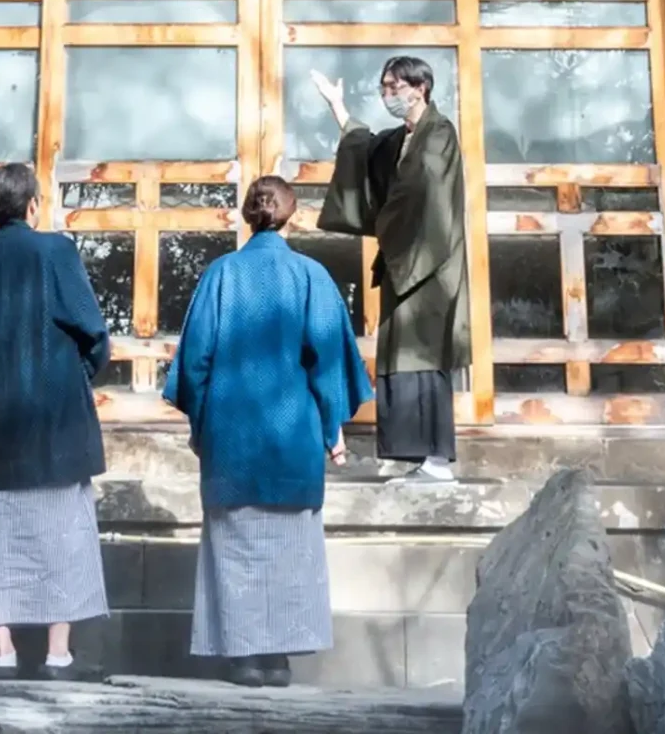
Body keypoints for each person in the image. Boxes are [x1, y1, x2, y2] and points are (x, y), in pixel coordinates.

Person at [164, 175, 373, 688]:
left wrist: (201, 425)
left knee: (234, 548)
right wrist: (332, 430)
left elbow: (195, 363)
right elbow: (326, 364)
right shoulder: (311, 276)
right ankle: (278, 658)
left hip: (231, 437)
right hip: (291, 436)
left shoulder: (221, 275)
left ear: (246, 215)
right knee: (289, 550)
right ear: (292, 213)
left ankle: (243, 657)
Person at [0, 161, 110, 680]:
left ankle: (2, 652)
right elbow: (91, 329)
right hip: (53, 416)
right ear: (32, 205)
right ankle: (57, 653)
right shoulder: (55, 250)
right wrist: (79, 374)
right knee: (61, 530)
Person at [310, 55, 469, 482]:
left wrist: (385, 224)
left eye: (394, 87)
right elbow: (363, 147)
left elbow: (423, 190)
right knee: (401, 356)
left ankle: (437, 460)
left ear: (420, 88)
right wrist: (337, 107)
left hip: (431, 267)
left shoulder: (440, 134)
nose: (387, 95)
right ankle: (422, 458)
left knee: (426, 355)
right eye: (383, 88)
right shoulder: (401, 139)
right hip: (406, 264)